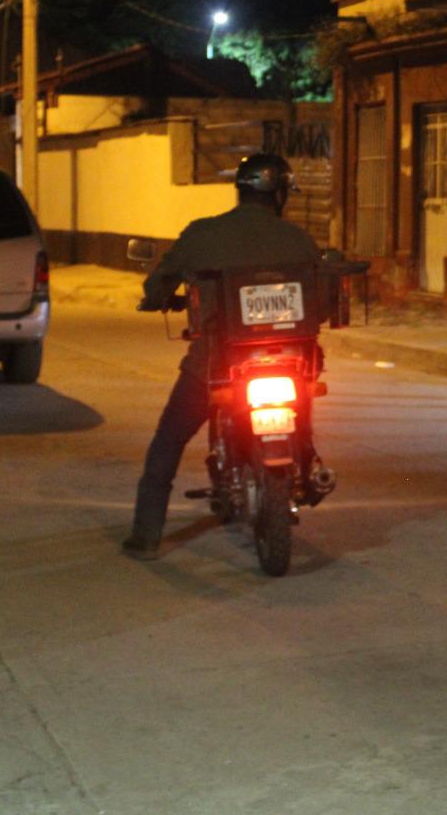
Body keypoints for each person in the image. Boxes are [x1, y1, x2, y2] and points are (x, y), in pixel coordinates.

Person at [122, 152, 321, 560]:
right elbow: (321, 306)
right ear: (280, 195)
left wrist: (158, 299)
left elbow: (157, 285)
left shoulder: (202, 234)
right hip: (291, 361)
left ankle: (146, 536)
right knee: (304, 411)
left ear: (240, 191)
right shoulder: (299, 240)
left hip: (216, 363)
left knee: (169, 439)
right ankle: (309, 466)